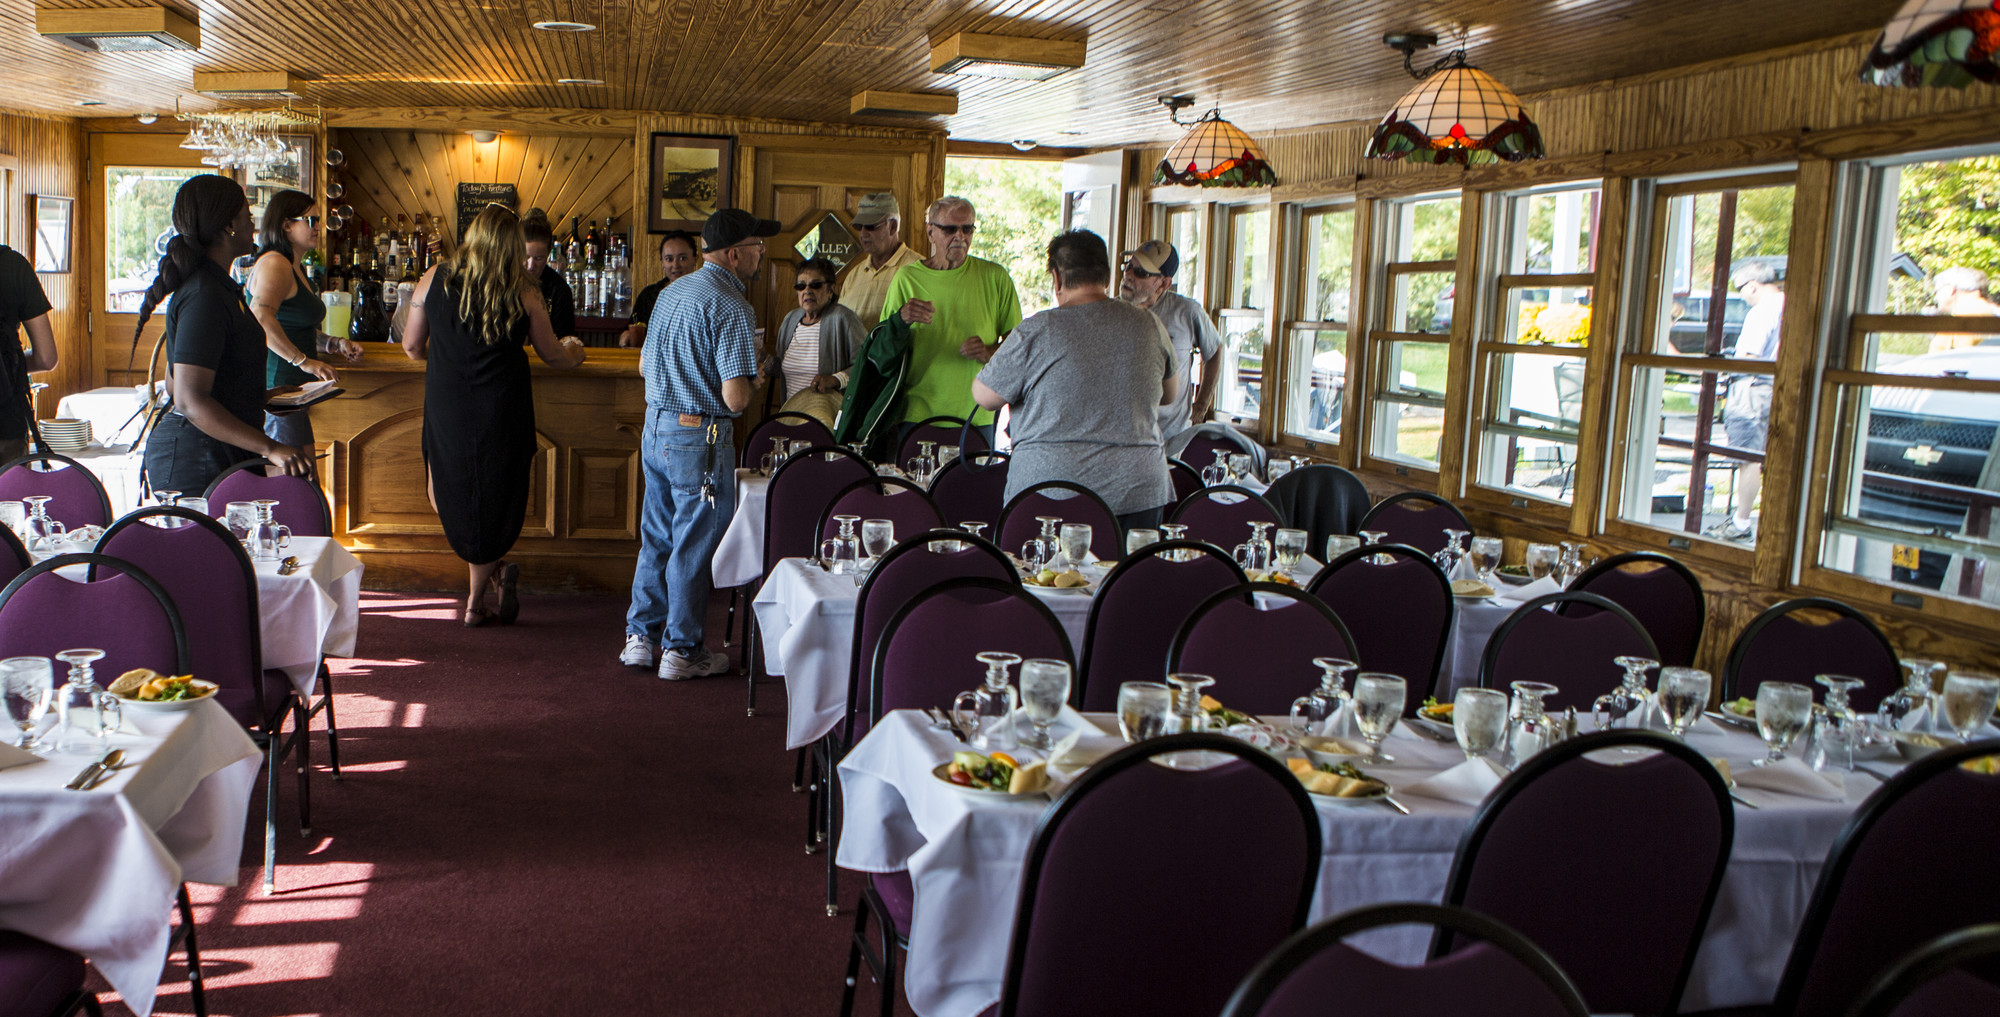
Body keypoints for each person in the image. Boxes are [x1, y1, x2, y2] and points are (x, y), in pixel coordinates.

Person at [402, 204, 586, 627]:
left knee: (451, 489)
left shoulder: (434, 278)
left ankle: (480, 592)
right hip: (502, 407)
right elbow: (555, 355)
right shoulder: (523, 291)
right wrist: (576, 349)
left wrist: (451, 356)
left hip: (448, 402)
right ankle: (479, 592)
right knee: (495, 495)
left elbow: (412, 347)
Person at [622, 208, 772, 678]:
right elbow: (734, 398)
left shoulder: (670, 292)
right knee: (692, 541)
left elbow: (644, 367)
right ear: (734, 254)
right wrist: (760, 376)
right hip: (700, 435)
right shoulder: (733, 306)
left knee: (657, 536)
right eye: (756, 247)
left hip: (655, 427)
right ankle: (683, 651)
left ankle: (641, 640)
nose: (761, 254)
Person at [974, 230, 1178, 530]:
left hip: (1049, 492)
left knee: (1040, 577)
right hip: (1137, 490)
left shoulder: (1037, 330)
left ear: (1056, 279)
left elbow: (984, 396)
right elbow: (1169, 394)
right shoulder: (1149, 323)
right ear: (1107, 277)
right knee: (1125, 577)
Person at [135, 174, 310, 494]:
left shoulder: (220, 288)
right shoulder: (204, 295)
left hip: (219, 449)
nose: (254, 225)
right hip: (198, 457)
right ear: (229, 225)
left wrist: (258, 397)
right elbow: (187, 398)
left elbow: (179, 383)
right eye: (247, 215)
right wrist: (270, 448)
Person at [880, 196, 1021, 439]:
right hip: (915, 412)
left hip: (977, 415)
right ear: (930, 232)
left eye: (967, 229)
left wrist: (989, 351)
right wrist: (902, 319)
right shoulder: (907, 278)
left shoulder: (995, 277)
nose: (960, 236)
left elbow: (1019, 345)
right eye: (949, 229)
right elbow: (882, 344)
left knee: (971, 480)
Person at [246, 190, 353, 450]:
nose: (318, 227)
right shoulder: (276, 264)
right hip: (278, 393)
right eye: (311, 221)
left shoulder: (294, 265)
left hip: (294, 392)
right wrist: (303, 361)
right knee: (291, 482)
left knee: (302, 477)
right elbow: (260, 317)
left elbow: (294, 326)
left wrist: (333, 344)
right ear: (286, 225)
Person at [1119, 239, 1221, 438]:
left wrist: (1201, 406)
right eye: (1129, 267)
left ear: (1164, 283)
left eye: (1141, 273)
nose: (1129, 275)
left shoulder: (1186, 312)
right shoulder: (1110, 312)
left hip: (1171, 436)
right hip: (1123, 435)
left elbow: (1215, 351)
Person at [1713, 261, 1784, 542]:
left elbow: (1750, 356)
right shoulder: (1790, 306)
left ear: (1752, 285)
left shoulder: (1762, 312)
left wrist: (1727, 364)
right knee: (1771, 458)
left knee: (1748, 458)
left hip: (1752, 390)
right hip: (1774, 389)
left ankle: (1740, 523)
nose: (1742, 295)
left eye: (1741, 289)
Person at [771, 257, 864, 428]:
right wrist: (764, 359)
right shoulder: (790, 320)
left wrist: (836, 379)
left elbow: (866, 365)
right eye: (801, 286)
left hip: (827, 419)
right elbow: (784, 369)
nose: (807, 290)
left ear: (830, 290)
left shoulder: (843, 319)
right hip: (791, 417)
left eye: (815, 285)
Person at [0, 244, 58, 465]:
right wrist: (9, 365)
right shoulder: (12, 265)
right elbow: (46, 357)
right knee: (9, 499)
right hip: (6, 424)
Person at [838, 193, 923, 332]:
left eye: (871, 226)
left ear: (893, 227)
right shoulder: (853, 276)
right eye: (859, 226)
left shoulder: (919, 269)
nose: (863, 233)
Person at [618, 230, 699, 348]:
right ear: (662, 262)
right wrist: (626, 336)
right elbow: (632, 327)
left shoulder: (703, 296)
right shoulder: (648, 295)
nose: (675, 265)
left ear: (695, 259)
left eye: (682, 258)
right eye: (669, 259)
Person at [521, 209, 576, 337]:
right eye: (526, 256)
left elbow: (565, 339)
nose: (531, 265)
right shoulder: (506, 284)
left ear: (548, 253)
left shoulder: (559, 290)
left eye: (538, 258)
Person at [1928, 266, 2000, 353]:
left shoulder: (1966, 315)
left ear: (1951, 290)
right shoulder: (1984, 309)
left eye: (1937, 291)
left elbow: (1961, 360)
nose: (1936, 298)